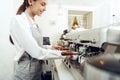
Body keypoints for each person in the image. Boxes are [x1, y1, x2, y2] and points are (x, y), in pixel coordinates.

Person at [10, 0, 76, 80]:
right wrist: (63, 54)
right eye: (43, 4)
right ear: (30, 1)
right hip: (25, 75)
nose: (45, 9)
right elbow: (36, 52)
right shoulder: (18, 20)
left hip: (37, 73)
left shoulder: (34, 23)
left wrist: (51, 47)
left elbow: (40, 43)